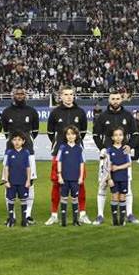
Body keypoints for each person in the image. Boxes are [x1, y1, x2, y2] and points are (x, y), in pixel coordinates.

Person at [92, 89, 139, 225]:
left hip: (123, 155)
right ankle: (100, 215)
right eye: (113, 99)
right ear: (109, 100)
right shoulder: (103, 116)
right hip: (107, 157)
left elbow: (135, 133)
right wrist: (102, 148)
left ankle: (129, 214)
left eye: (118, 99)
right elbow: (95, 135)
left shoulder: (128, 115)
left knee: (127, 185)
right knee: (103, 184)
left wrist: (130, 146)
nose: (115, 101)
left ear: (121, 99)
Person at [46, 87, 90, 226]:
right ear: (61, 96)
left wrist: (74, 145)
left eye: (71, 94)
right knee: (56, 184)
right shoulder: (55, 113)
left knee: (80, 183)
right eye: (66, 94)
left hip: (76, 154)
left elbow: (82, 132)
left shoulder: (80, 112)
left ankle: (82, 214)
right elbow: (50, 132)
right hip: (59, 153)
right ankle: (54, 214)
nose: (69, 97)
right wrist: (60, 144)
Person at [0, 87, 40, 223]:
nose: (20, 95)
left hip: (28, 152)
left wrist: (26, 141)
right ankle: (12, 216)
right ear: (13, 95)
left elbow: (35, 131)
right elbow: (6, 132)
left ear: (25, 95)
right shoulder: (6, 112)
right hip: (10, 152)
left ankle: (27, 215)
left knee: (30, 182)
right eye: (17, 93)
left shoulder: (32, 111)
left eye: (22, 93)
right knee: (7, 181)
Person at [55, 125, 85, 227]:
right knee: (63, 198)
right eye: (68, 134)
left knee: (75, 198)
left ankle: (75, 220)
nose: (70, 136)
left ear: (76, 136)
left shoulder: (79, 148)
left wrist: (81, 177)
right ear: (65, 136)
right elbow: (59, 161)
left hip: (75, 179)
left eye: (73, 134)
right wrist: (59, 175)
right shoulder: (62, 147)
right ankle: (63, 221)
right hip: (64, 178)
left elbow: (81, 163)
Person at [2, 132, 33, 227]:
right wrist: (6, 180)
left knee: (23, 200)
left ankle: (24, 220)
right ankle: (11, 219)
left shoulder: (26, 153)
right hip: (11, 182)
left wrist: (28, 180)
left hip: (23, 182)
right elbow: (6, 167)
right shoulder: (9, 153)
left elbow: (28, 168)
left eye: (19, 140)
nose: (17, 142)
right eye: (15, 139)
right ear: (11, 141)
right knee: (11, 200)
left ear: (23, 141)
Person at [105, 127, 133, 226]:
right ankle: (114, 219)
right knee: (114, 197)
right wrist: (109, 178)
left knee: (122, 197)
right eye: (116, 135)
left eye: (120, 135)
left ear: (123, 136)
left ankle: (122, 219)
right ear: (112, 137)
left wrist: (117, 168)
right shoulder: (109, 150)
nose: (118, 137)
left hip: (123, 177)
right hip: (114, 178)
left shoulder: (126, 149)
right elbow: (107, 165)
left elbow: (129, 164)